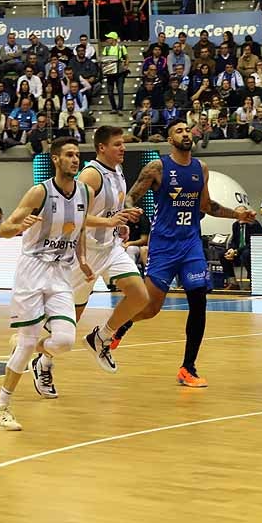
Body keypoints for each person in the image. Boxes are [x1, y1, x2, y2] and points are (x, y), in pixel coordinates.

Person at [0, 137, 130, 429]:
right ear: (55, 159)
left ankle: (25, 346)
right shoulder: (39, 193)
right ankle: (1, 407)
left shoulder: (83, 192)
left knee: (65, 340)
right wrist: (18, 226)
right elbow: (4, 229)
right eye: (69, 155)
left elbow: (78, 229)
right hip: (32, 269)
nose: (75, 160)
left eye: (77, 155)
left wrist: (81, 259)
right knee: (29, 342)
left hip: (61, 272)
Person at [113, 122, 257, 386]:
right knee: (150, 308)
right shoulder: (157, 167)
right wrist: (130, 211)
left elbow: (207, 205)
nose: (185, 133)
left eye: (188, 130)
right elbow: (132, 196)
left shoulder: (200, 169)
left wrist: (237, 214)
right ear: (170, 139)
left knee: (198, 299)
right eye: (179, 130)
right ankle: (118, 326)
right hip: (163, 246)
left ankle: (188, 367)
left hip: (190, 244)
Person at [60, 126, 149, 389]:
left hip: (109, 249)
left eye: (123, 143)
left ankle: (101, 337)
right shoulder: (91, 175)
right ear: (102, 148)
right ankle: (43, 361)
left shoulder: (118, 171)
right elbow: (73, 216)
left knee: (140, 296)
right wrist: (110, 221)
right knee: (67, 327)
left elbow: (111, 211)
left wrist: (122, 221)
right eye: (117, 144)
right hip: (84, 254)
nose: (123, 148)